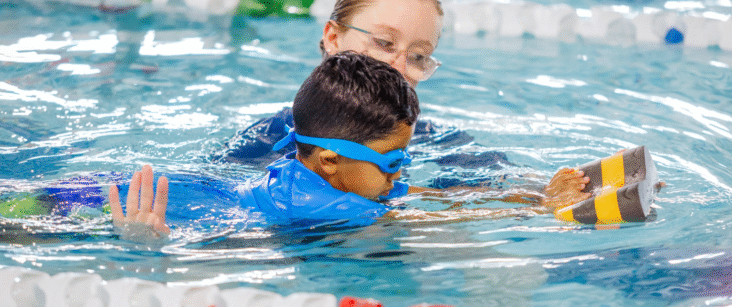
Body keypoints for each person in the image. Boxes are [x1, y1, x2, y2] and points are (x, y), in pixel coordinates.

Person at [110, 52, 591, 236]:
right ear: (330, 160)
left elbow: (416, 198)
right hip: (147, 207)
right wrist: (538, 213)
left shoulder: (330, 177)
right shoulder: (321, 205)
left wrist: (527, 194)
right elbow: (433, 218)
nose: (400, 174)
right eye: (392, 162)